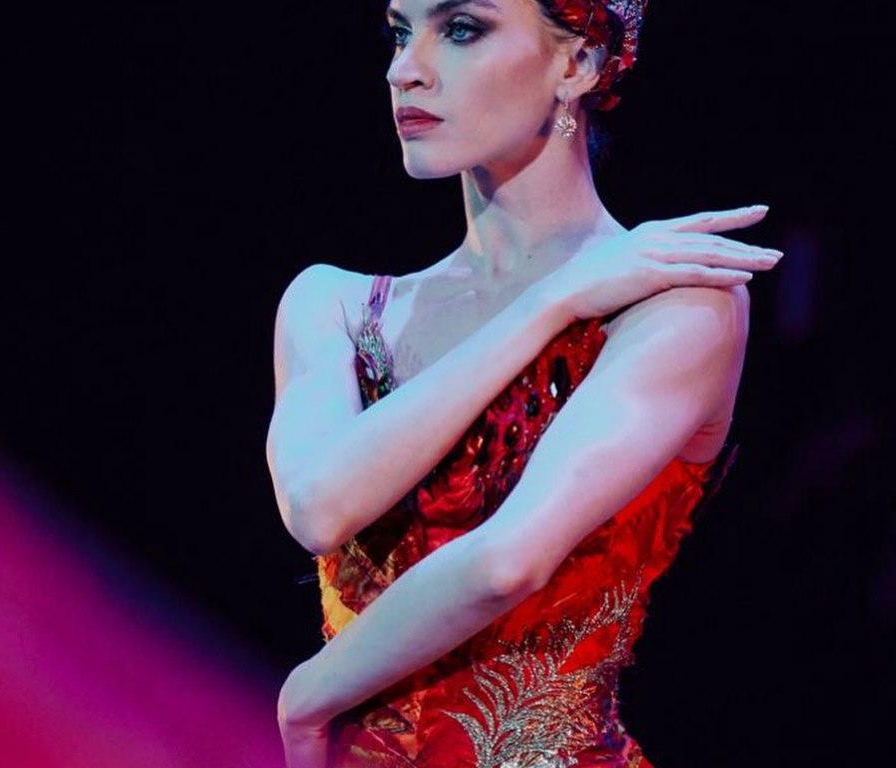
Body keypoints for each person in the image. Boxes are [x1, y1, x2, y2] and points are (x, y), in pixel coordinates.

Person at [266, 1, 783, 765]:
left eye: (461, 29)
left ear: (577, 64)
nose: (404, 69)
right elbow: (319, 509)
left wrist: (307, 696)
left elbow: (507, 563)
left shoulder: (681, 305)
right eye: (401, 33)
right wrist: (550, 303)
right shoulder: (335, 305)